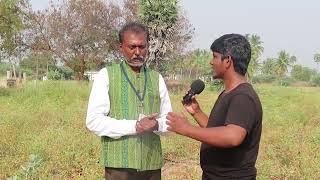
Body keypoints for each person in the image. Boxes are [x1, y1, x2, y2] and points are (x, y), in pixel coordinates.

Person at [166, 34, 263, 180]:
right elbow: (218, 130)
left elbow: (232, 136)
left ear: (228, 61)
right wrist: (196, 112)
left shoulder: (243, 97)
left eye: (215, 56)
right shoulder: (228, 93)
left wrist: (186, 129)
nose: (211, 62)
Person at [86, 22, 172, 180]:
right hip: (119, 166)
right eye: (132, 47)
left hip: (151, 164)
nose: (138, 52)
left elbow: (169, 120)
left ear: (147, 46)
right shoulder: (107, 75)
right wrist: (135, 126)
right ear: (121, 47)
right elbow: (93, 121)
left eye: (142, 46)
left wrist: (157, 124)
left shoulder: (156, 78)